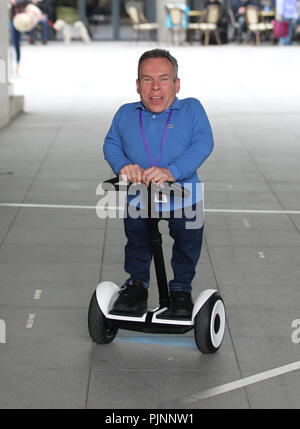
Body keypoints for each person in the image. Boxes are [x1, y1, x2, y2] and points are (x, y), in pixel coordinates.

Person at [103, 49, 214, 317]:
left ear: (177, 84)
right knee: (137, 242)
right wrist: (123, 166)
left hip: (184, 194)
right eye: (147, 80)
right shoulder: (125, 113)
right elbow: (111, 144)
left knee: (188, 242)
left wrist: (172, 170)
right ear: (137, 85)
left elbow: (203, 142)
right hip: (139, 196)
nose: (155, 88)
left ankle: (181, 290)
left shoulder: (191, 109)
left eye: (164, 79)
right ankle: (137, 286)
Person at [9, 0, 29, 76]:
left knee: (16, 45)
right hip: (11, 21)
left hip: (19, 22)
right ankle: (11, 68)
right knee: (12, 44)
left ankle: (16, 67)